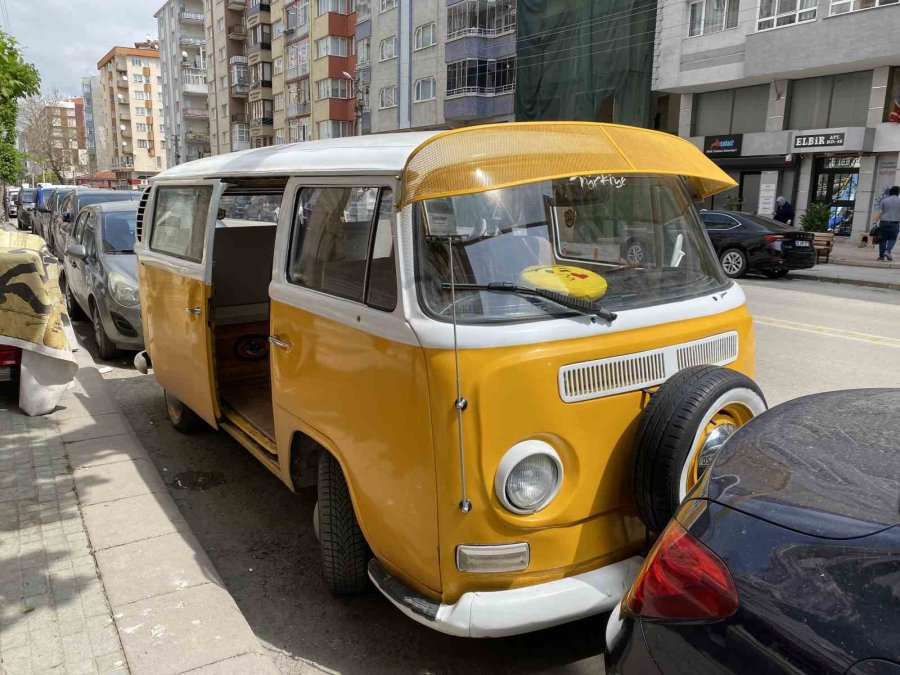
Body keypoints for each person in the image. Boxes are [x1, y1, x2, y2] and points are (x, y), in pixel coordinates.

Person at [872, 185, 900, 262]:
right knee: (892, 239)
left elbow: (880, 212)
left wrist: (875, 222)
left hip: (883, 223)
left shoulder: (884, 201)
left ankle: (881, 257)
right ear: (898, 193)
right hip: (895, 223)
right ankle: (888, 251)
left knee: (882, 239)